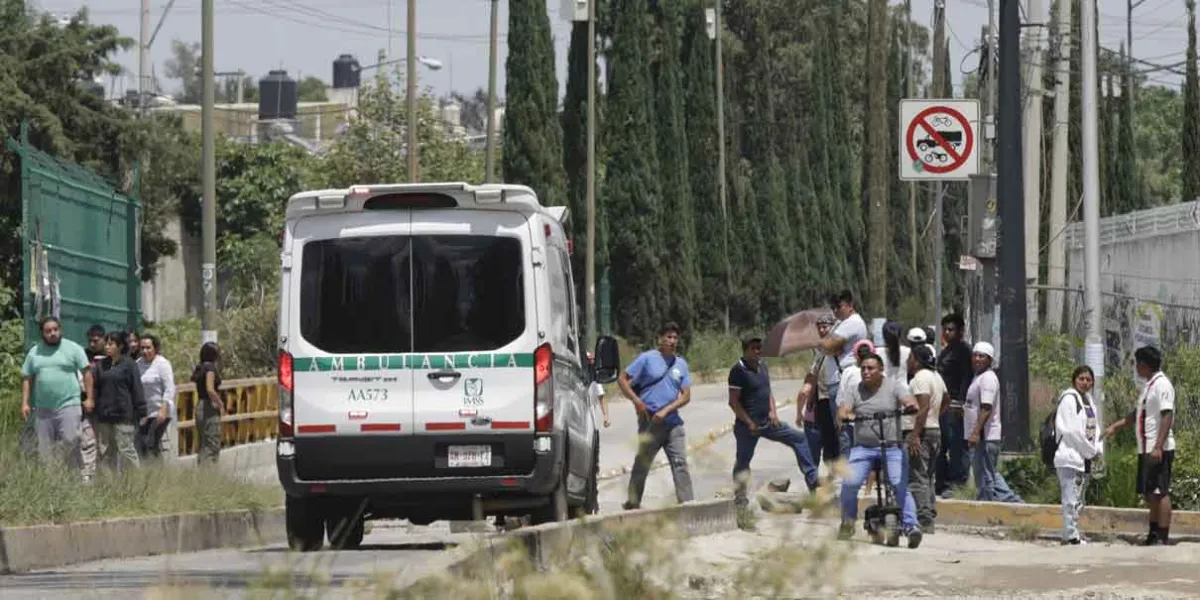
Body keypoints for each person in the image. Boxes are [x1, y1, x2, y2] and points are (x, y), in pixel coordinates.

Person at [836, 354, 923, 548]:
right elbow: (843, 410)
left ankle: (911, 526)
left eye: (870, 368)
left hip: (892, 446)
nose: (866, 372)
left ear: (881, 370)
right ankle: (848, 521)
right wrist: (845, 416)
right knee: (850, 483)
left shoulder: (894, 385)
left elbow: (910, 400)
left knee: (898, 483)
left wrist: (910, 406)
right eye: (863, 368)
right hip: (863, 448)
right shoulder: (855, 388)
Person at [730, 337, 820, 507]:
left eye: (759, 348)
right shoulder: (738, 371)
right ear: (745, 350)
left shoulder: (762, 366)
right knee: (743, 461)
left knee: (799, 438)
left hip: (767, 422)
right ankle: (740, 497)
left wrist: (773, 413)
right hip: (747, 427)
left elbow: (767, 391)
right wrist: (749, 423)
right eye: (753, 348)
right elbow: (733, 402)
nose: (758, 352)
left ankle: (813, 481)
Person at [1102, 346, 1176, 546]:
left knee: (1160, 492)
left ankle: (1162, 535)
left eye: (1136, 364)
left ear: (1144, 365)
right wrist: (1115, 426)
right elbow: (1138, 415)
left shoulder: (1162, 385)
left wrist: (1159, 446)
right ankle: (1153, 533)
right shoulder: (1148, 385)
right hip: (1145, 447)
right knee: (1149, 492)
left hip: (1158, 447)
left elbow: (1167, 415)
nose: (1135, 368)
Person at [619, 322, 694, 509]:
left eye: (675, 338)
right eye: (668, 337)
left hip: (672, 423)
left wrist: (666, 410)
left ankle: (688, 505)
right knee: (642, 464)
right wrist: (637, 402)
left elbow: (686, 396)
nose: (672, 341)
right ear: (659, 339)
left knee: (680, 464)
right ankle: (633, 503)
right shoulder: (647, 359)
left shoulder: (681, 364)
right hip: (649, 421)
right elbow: (622, 380)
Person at [20, 317, 93, 467]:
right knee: (45, 448)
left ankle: (73, 477)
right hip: (43, 408)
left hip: (69, 404)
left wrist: (90, 398)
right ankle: (51, 481)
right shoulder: (34, 352)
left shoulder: (73, 348)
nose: (52, 333)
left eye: (55, 329)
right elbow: (27, 377)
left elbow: (86, 373)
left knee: (71, 440)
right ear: (42, 333)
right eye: (48, 331)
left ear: (60, 330)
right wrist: (25, 403)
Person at [964, 342, 1023, 503]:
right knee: (987, 474)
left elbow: (986, 407)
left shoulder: (988, 379)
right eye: (975, 355)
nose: (977, 359)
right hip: (980, 435)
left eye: (981, 356)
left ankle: (988, 506)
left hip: (985, 436)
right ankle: (1013, 503)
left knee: (985, 477)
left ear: (989, 360)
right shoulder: (978, 377)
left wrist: (975, 432)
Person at [1053, 365, 1102, 545]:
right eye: (1081, 378)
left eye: (1089, 380)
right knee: (1069, 498)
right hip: (1069, 455)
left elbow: (1094, 428)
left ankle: (1074, 533)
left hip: (1083, 457)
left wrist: (1097, 449)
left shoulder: (1088, 401)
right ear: (1074, 380)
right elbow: (1072, 430)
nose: (1085, 382)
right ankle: (1070, 536)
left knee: (1078, 498)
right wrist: (1090, 451)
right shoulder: (1069, 399)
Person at [905, 344, 947, 531]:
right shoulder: (936, 377)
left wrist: (915, 434)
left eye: (910, 358)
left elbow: (922, 406)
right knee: (929, 476)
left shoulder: (919, 378)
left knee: (918, 478)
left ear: (916, 359)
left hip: (921, 433)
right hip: (935, 430)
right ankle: (929, 514)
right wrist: (936, 415)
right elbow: (947, 399)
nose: (908, 362)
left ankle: (924, 520)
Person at [92, 331, 146, 474]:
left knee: (126, 450)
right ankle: (109, 486)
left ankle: (135, 483)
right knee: (105, 452)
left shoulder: (129, 365)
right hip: (105, 416)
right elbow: (96, 388)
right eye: (106, 344)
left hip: (123, 415)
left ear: (120, 346)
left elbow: (136, 388)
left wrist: (142, 411)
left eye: (111, 344)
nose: (107, 347)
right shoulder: (101, 365)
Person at [797, 315, 840, 475]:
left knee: (835, 448)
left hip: (836, 402)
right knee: (830, 450)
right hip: (823, 404)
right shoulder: (819, 352)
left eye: (825, 326)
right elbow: (809, 383)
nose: (822, 330)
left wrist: (798, 413)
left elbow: (805, 389)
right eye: (819, 327)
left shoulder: (839, 347)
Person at [936, 313, 973, 497]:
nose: (947, 333)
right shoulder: (947, 351)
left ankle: (958, 483)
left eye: (951, 329)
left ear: (960, 331)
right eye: (945, 330)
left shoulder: (964, 351)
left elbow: (967, 378)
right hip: (943, 405)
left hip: (956, 406)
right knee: (942, 444)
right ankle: (942, 482)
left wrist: (962, 403)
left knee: (957, 445)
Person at [136, 334, 177, 460]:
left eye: (148, 348)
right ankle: (150, 474)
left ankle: (157, 474)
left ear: (155, 348)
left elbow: (169, 388)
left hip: (160, 411)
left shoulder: (163, 364)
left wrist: (163, 408)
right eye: (142, 348)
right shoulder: (137, 364)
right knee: (142, 445)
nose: (145, 351)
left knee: (150, 443)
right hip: (145, 412)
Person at [193, 342, 226, 465]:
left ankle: (202, 474)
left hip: (200, 406)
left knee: (203, 444)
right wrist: (220, 404)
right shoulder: (210, 368)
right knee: (212, 444)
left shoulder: (200, 367)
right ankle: (209, 475)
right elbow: (210, 389)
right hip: (209, 407)